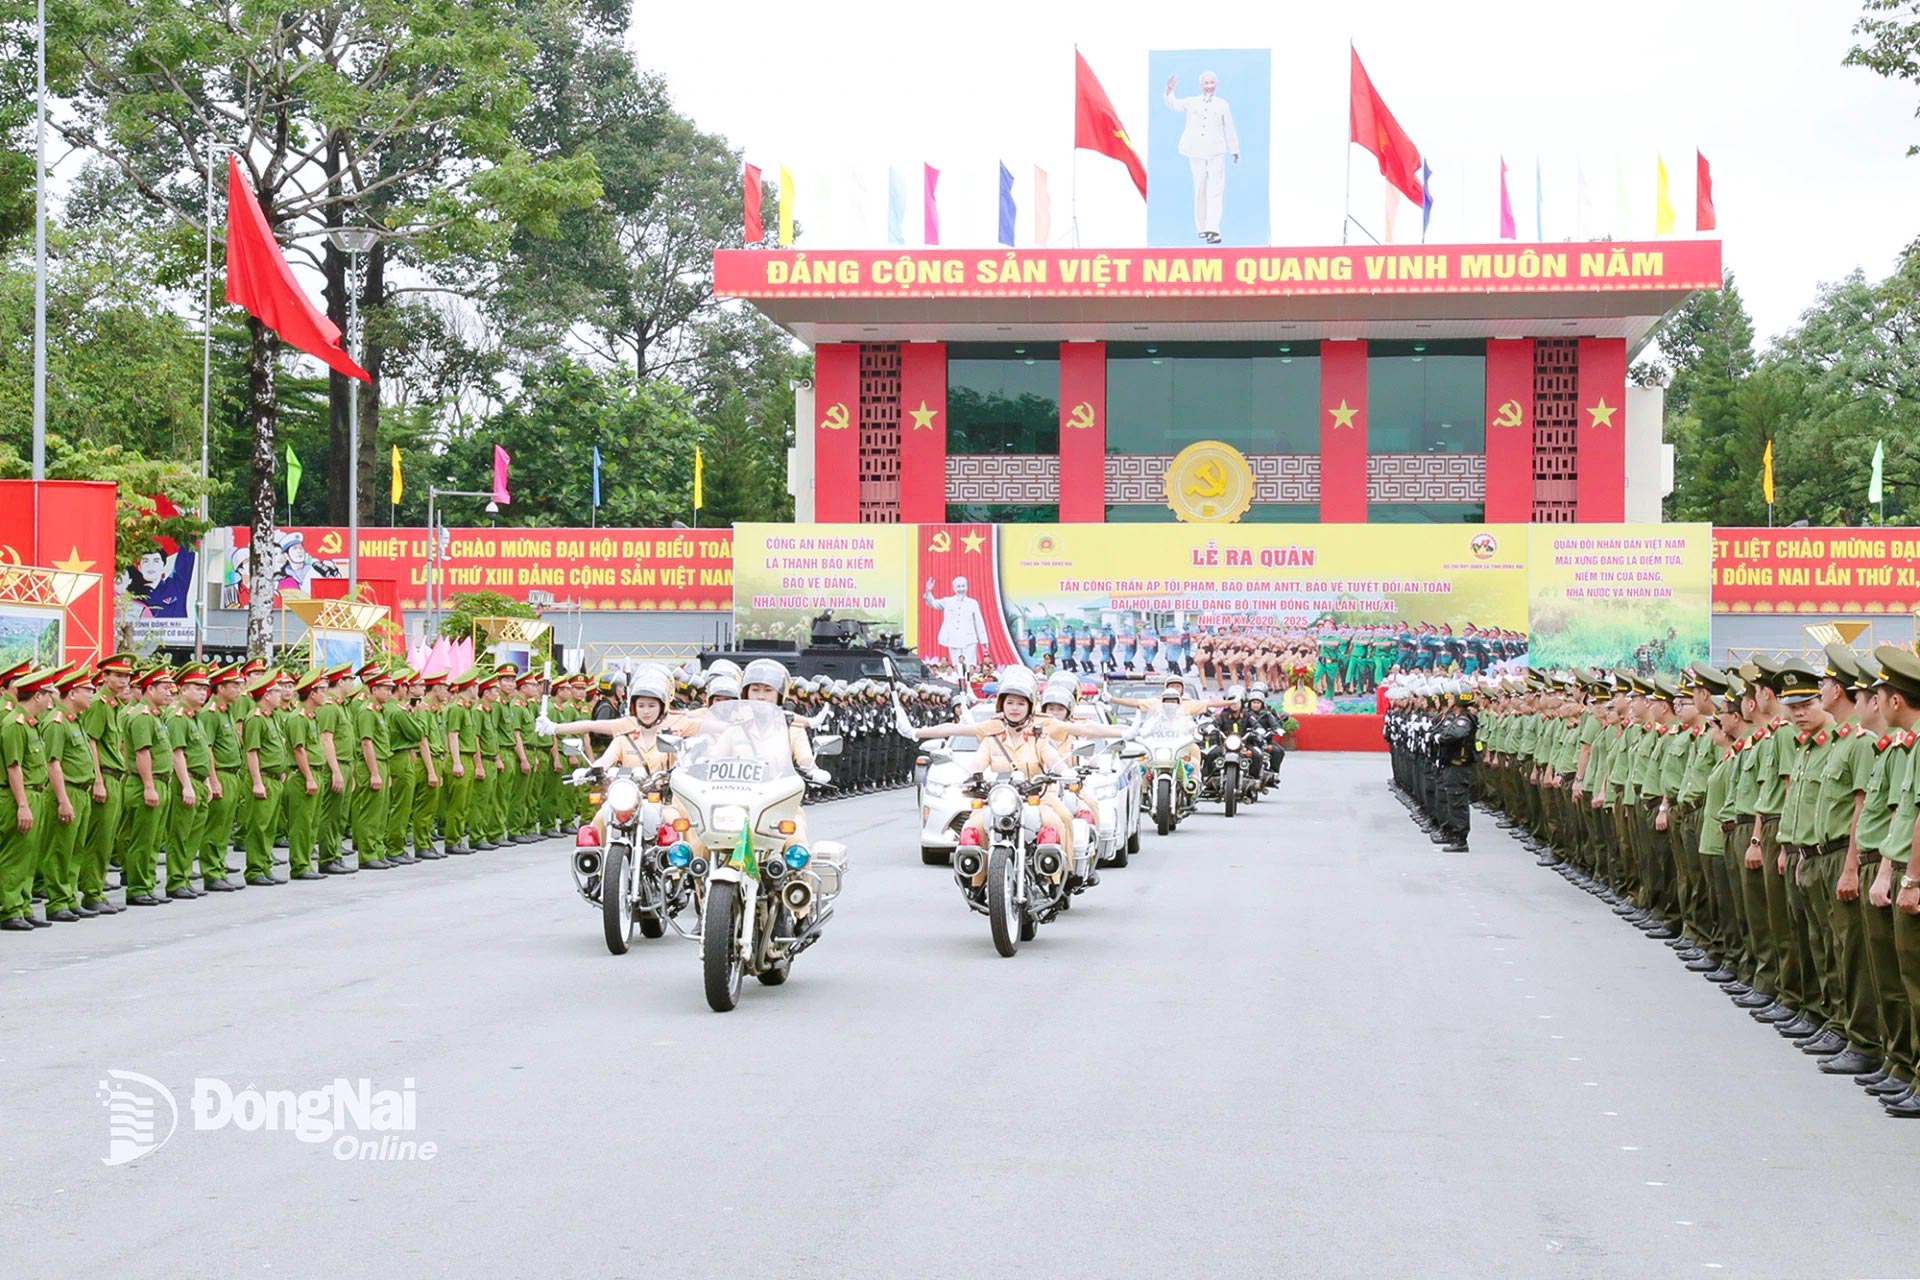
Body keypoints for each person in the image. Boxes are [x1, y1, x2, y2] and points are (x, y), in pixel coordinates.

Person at [1163, 71, 1239, 244]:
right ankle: (1203, 228)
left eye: (1212, 82)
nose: (1209, 86)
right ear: (1201, 85)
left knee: (1216, 190)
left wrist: (1234, 149)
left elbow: (1230, 127)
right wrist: (1169, 90)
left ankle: (1214, 228)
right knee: (1200, 189)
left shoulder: (1223, 104)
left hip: (1217, 151)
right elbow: (1174, 104)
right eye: (1206, 83)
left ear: (1216, 84)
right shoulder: (1191, 102)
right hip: (1195, 150)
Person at [925, 575, 992, 669]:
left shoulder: (972, 603)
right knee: (957, 667)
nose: (961, 589)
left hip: (969, 640)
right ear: (954, 588)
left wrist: (983, 640)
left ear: (967, 587)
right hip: (953, 639)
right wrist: (928, 591)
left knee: (969, 666)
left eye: (963, 586)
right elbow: (933, 603)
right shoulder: (947, 601)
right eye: (958, 586)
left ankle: (969, 683)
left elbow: (979, 622)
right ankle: (958, 683)